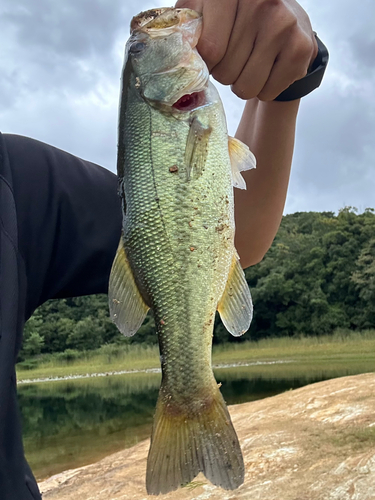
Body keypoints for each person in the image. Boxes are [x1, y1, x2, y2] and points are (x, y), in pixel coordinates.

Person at [0, 0, 327, 498]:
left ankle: (189, 393)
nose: (150, 38)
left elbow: (245, 233)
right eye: (139, 47)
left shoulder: (17, 184)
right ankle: (188, 396)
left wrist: (285, 79)